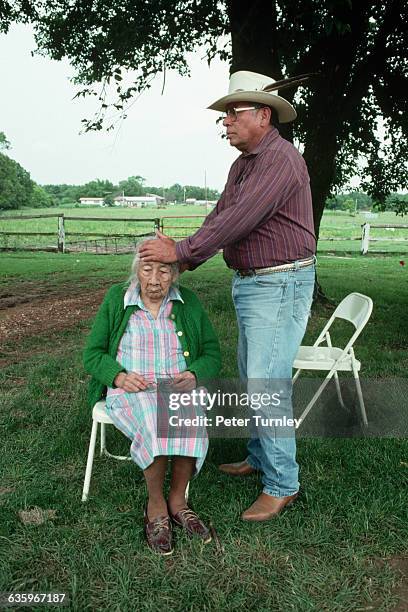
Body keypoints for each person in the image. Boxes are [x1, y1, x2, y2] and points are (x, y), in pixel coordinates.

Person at [139, 70, 317, 522]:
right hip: (257, 283)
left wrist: (179, 252)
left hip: (279, 283)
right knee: (252, 375)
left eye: (233, 114)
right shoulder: (244, 164)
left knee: (264, 384)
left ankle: (282, 484)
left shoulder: (279, 160)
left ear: (263, 114)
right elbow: (222, 215)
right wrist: (184, 255)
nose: (225, 123)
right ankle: (259, 458)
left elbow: (238, 222)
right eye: (224, 116)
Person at [83, 240, 221, 554]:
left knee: (192, 416)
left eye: (164, 271)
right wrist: (117, 375)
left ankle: (178, 500)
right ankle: (155, 506)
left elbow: (212, 353)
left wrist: (195, 373)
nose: (155, 279)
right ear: (137, 272)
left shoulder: (189, 303)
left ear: (174, 275)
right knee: (155, 419)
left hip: (175, 386)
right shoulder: (116, 299)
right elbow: (92, 354)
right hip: (133, 388)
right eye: (147, 270)